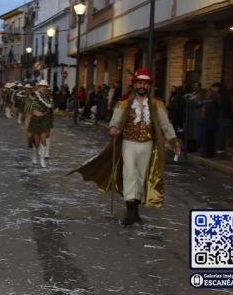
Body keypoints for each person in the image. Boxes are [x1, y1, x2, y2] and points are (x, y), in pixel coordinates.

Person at [70, 68, 181, 226]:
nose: (142, 86)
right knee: (129, 174)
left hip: (148, 144)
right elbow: (115, 120)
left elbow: (165, 125)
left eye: (145, 83)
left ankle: (135, 210)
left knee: (142, 176)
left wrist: (174, 142)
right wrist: (113, 128)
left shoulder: (157, 104)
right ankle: (130, 212)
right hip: (128, 143)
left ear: (149, 86)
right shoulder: (123, 102)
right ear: (135, 85)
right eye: (139, 83)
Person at [27, 80, 53, 167]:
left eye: (45, 87)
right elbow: (27, 107)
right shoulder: (33, 96)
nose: (43, 88)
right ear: (39, 87)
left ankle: (42, 160)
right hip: (35, 120)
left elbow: (50, 108)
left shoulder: (48, 97)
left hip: (45, 120)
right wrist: (34, 112)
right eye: (42, 86)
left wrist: (46, 113)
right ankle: (34, 155)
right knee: (37, 142)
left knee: (43, 140)